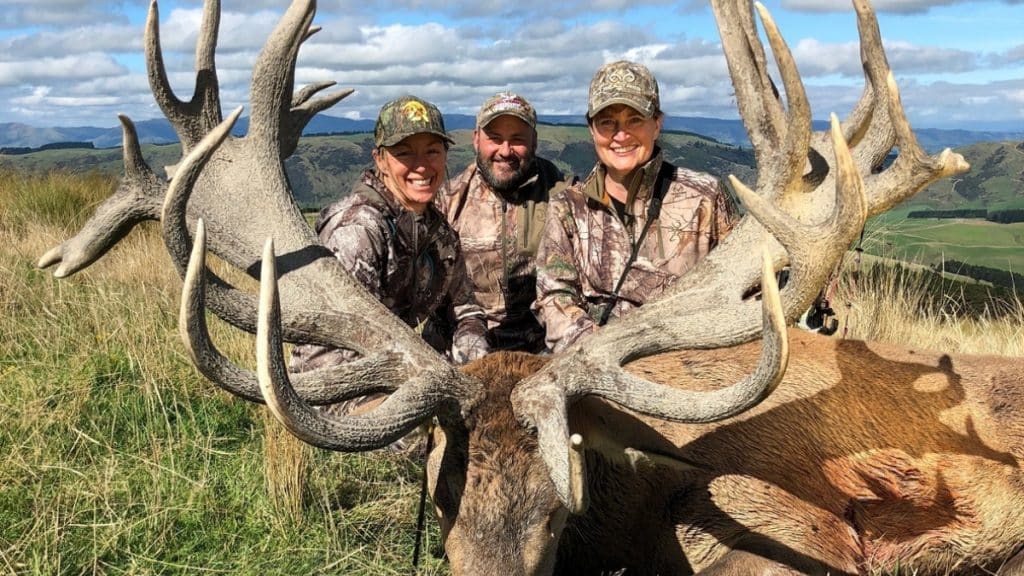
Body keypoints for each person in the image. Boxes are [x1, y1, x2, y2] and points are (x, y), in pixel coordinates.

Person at [291, 95, 489, 409]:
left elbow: (464, 311)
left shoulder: (438, 233)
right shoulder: (358, 230)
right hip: (335, 388)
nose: (422, 165)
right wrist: (426, 380)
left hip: (395, 373)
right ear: (380, 159)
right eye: (404, 153)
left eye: (432, 151)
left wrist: (477, 365)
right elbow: (350, 342)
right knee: (436, 434)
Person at [534, 61, 739, 353]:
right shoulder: (567, 208)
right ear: (592, 129)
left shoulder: (705, 198)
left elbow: (741, 291)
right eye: (608, 123)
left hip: (686, 366)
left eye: (634, 120)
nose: (621, 135)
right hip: (594, 370)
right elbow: (554, 297)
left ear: (657, 124)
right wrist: (603, 356)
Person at [429, 92, 574, 353]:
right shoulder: (445, 203)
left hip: (545, 350)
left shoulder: (563, 196)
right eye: (495, 139)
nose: (505, 151)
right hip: (463, 347)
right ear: (476, 140)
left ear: (535, 142)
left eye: (517, 139)